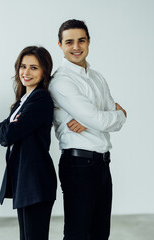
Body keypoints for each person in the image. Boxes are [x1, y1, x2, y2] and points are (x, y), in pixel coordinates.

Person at [49, 19, 127, 240]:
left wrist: (98, 117)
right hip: (78, 165)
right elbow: (104, 120)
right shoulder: (61, 81)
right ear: (60, 45)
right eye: (69, 42)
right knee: (78, 234)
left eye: (81, 41)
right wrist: (118, 114)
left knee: (101, 233)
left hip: (102, 163)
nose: (76, 47)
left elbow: (106, 117)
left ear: (89, 41)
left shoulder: (97, 77)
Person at [0, 46, 57, 240]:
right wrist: (9, 126)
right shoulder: (23, 101)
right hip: (25, 179)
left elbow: (8, 133)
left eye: (34, 68)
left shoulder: (40, 99)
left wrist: (9, 126)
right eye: (23, 66)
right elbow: (0, 132)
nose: (26, 73)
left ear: (45, 71)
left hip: (36, 180)